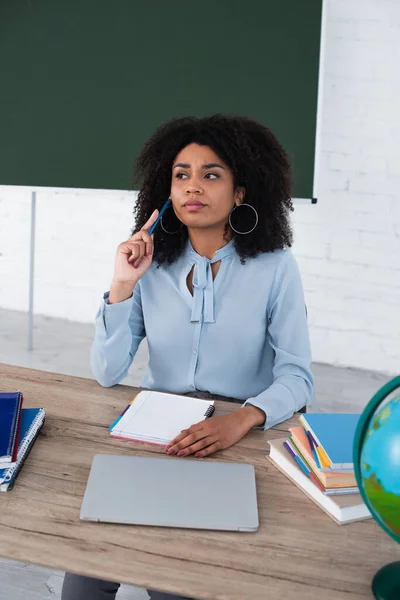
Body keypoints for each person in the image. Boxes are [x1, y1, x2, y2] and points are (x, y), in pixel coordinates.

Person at [61, 114, 314, 600]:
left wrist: (243, 418)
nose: (192, 186)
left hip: (235, 437)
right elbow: (107, 372)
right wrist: (121, 283)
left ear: (241, 192)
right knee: (84, 573)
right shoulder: (149, 262)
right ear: (166, 189)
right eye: (181, 174)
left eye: (211, 174)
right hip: (154, 431)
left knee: (178, 583)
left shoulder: (276, 267)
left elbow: (298, 377)